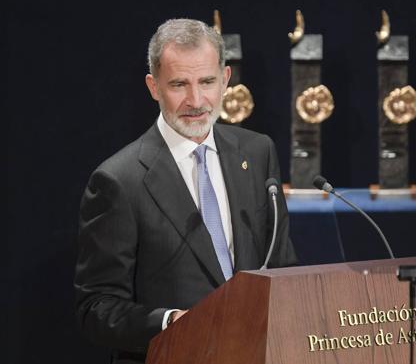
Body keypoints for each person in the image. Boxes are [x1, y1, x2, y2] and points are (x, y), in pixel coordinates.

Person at [74, 18, 297, 363]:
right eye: (179, 84)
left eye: (207, 82)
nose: (196, 100)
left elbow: (283, 268)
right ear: (153, 86)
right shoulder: (119, 180)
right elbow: (96, 308)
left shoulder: (257, 153)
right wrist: (170, 322)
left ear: (225, 80)